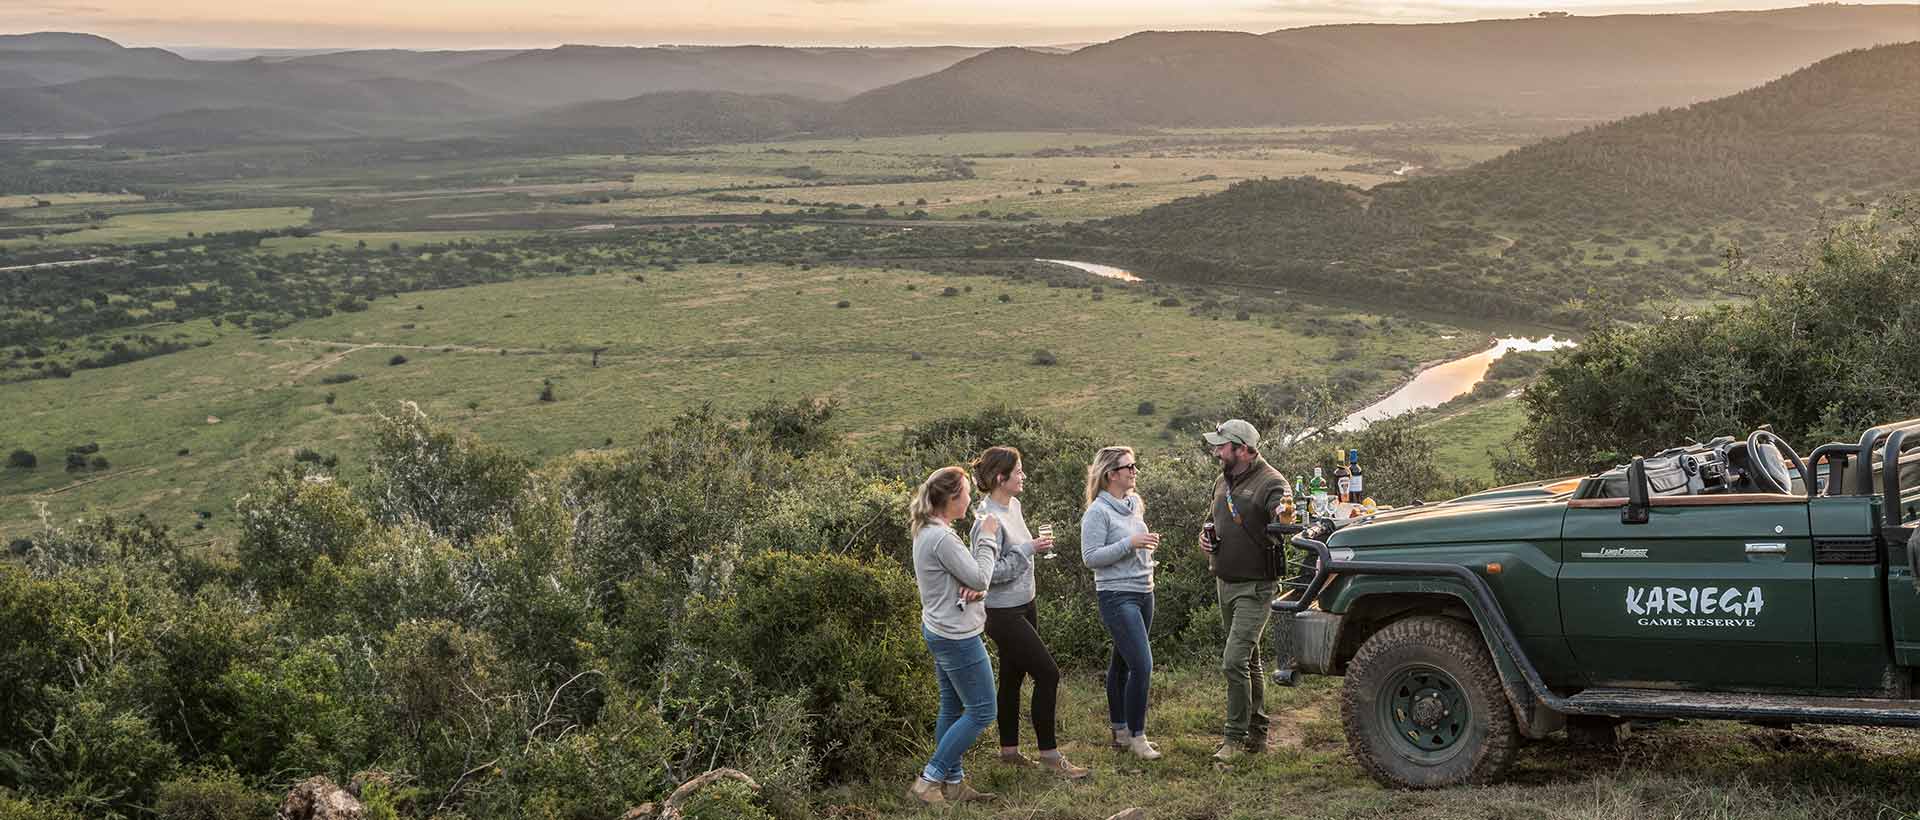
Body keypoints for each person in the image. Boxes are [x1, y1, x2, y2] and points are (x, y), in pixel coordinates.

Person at [968, 446, 1090, 779]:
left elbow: (1015, 557)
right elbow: (987, 574)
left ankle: (1009, 752)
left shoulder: (1014, 506)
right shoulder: (986, 520)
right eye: (1018, 472)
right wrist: (1028, 549)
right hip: (1001, 612)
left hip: (1025, 602)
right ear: (1000, 478)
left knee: (1012, 676)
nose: (1024, 476)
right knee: (1048, 674)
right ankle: (1050, 757)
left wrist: (1029, 549)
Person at [1200, 419, 1295, 762]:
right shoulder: (1221, 480)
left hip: (1256, 586)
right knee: (1249, 662)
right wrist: (1205, 538)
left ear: (1242, 449)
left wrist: (1284, 512)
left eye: (1221, 446)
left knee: (1233, 662)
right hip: (1225, 582)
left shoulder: (1272, 482)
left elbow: (1284, 515)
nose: (1215, 451)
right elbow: (1213, 521)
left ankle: (1234, 738)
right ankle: (1258, 734)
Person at [907, 466, 1000, 805]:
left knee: (952, 706)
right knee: (982, 710)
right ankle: (928, 781)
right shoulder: (943, 537)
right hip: (957, 636)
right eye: (966, 493)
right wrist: (988, 536)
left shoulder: (928, 529)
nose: (971, 499)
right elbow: (979, 578)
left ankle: (954, 783)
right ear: (950, 498)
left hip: (939, 627)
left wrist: (966, 592)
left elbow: (955, 582)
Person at [1079, 445, 1163, 760]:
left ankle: (1120, 730)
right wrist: (1131, 543)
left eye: (1134, 465)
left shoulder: (1134, 503)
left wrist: (1145, 546)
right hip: (1116, 595)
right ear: (1111, 474)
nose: (1134, 471)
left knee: (1123, 663)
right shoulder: (1097, 513)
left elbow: (1132, 542)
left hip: (1145, 589)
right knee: (1143, 665)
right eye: (1129, 467)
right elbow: (1091, 558)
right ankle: (1138, 737)